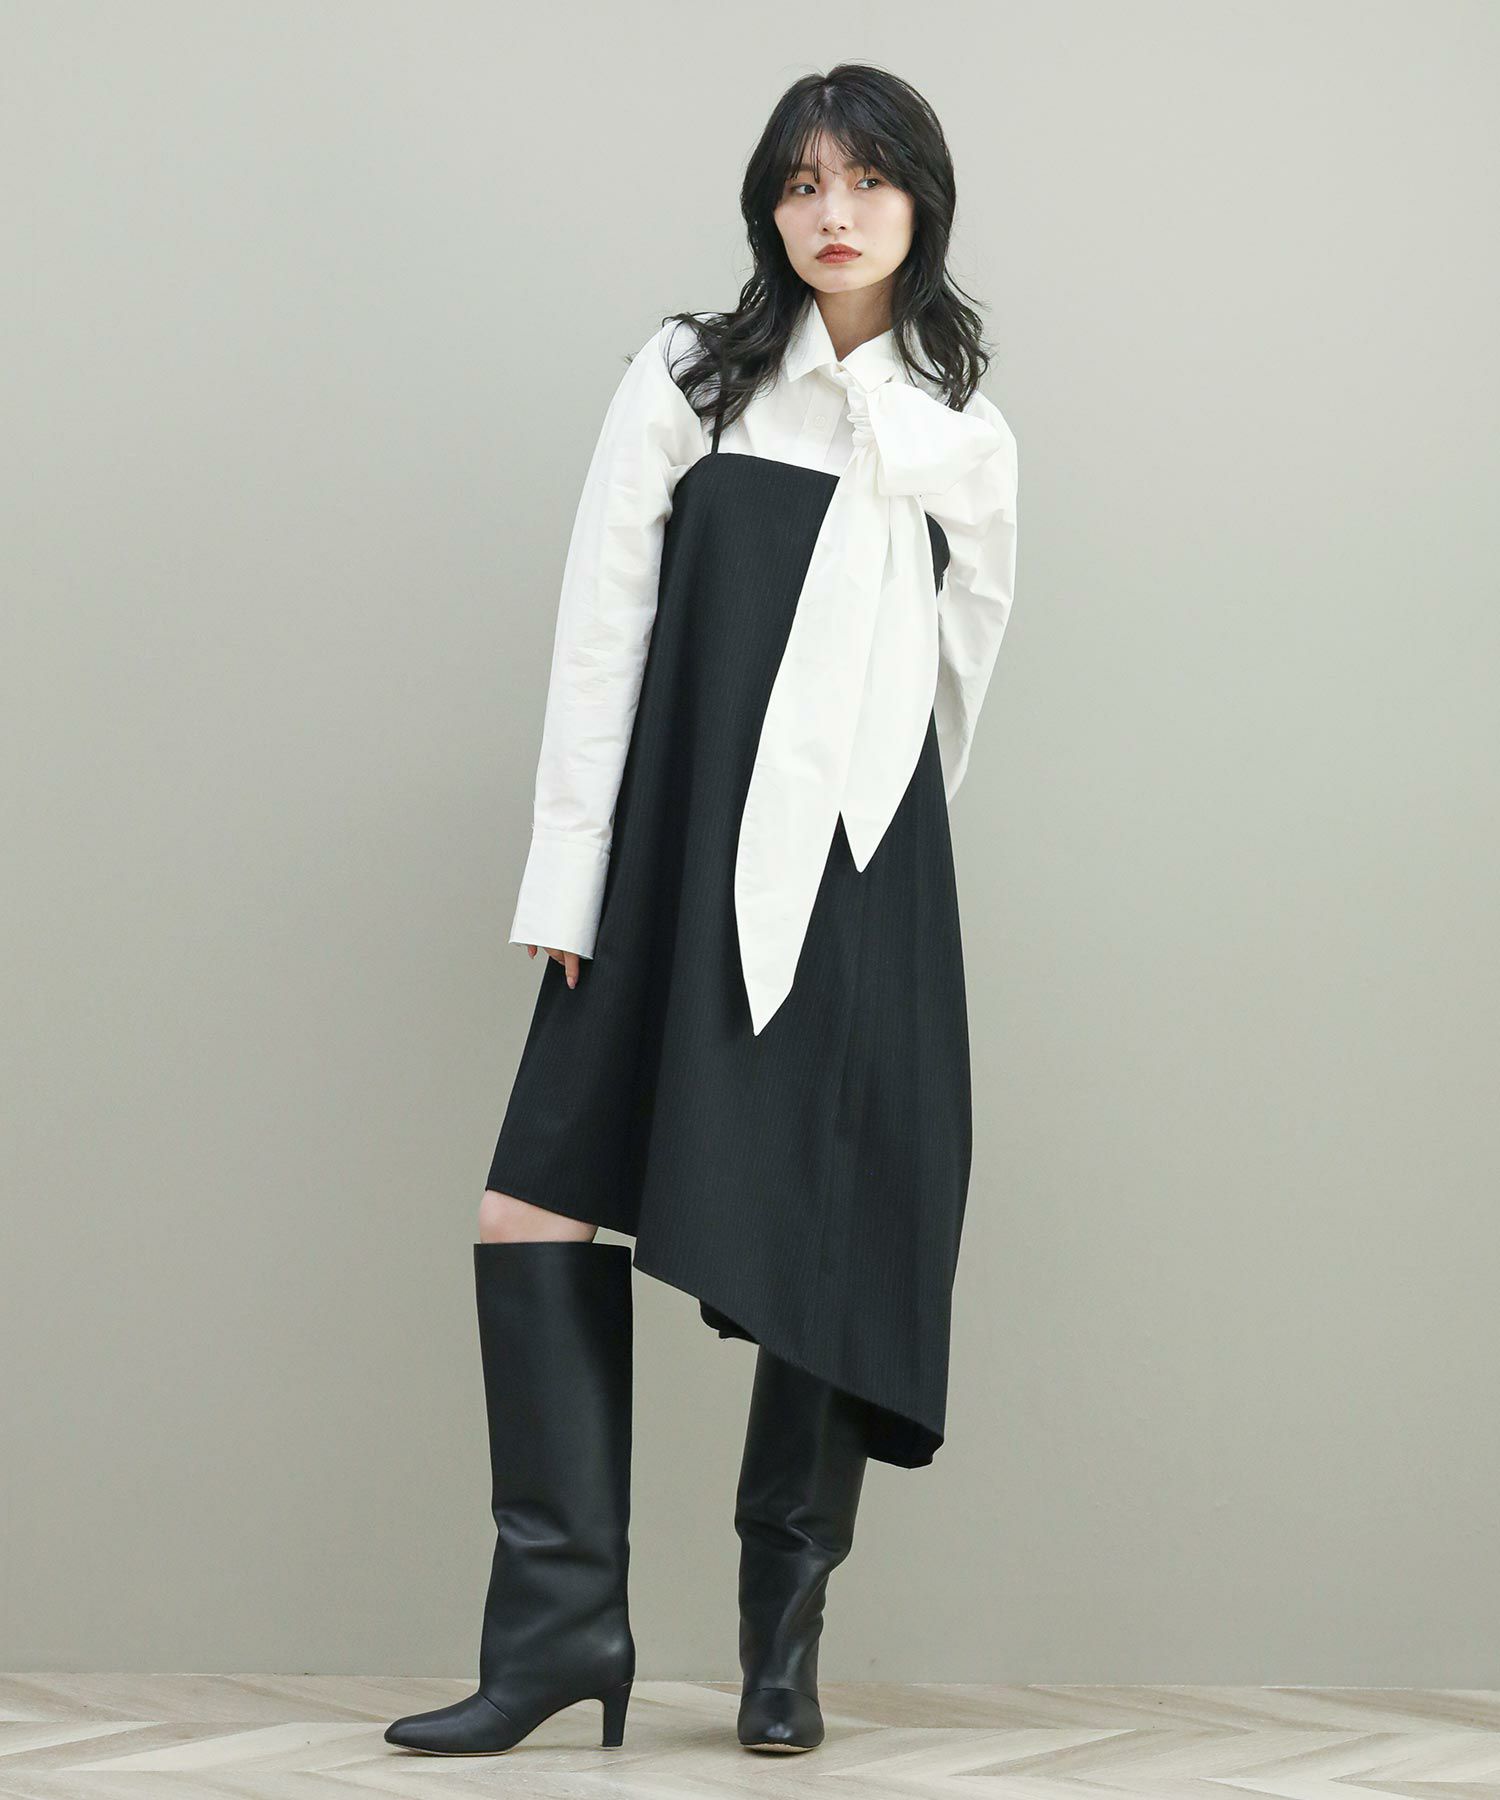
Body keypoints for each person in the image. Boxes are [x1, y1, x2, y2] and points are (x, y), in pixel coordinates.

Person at [385, 60, 1019, 1761]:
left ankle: (778, 1652)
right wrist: (569, 871)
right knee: (532, 1206)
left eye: (864, 181)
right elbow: (602, 629)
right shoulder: (692, 375)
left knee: (828, 1246)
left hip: (858, 874)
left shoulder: (965, 442)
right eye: (802, 184)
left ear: (919, 203)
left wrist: (865, 883)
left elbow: (955, 690)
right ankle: (560, 1636)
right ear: (769, 209)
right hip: (665, 853)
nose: (833, 212)